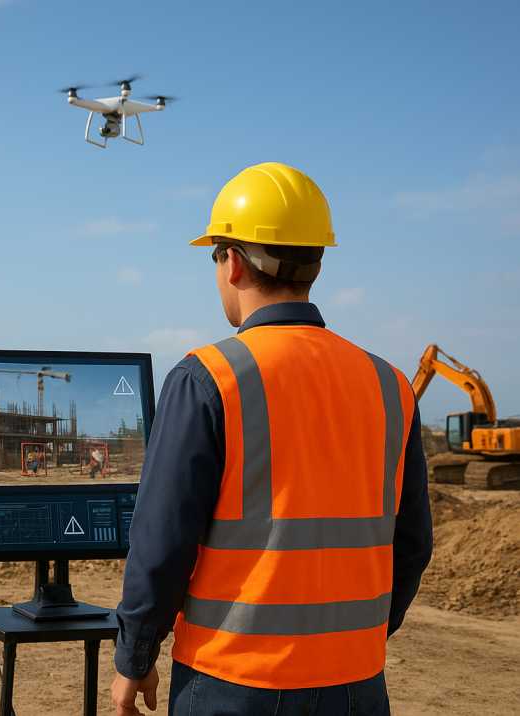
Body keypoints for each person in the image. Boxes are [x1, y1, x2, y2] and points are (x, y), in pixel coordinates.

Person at [110, 163, 433, 715]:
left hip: (231, 681)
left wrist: (135, 656)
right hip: (356, 684)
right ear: (317, 262)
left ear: (231, 261)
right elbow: (412, 542)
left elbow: (162, 544)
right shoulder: (390, 384)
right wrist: (358, 641)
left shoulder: (208, 378)